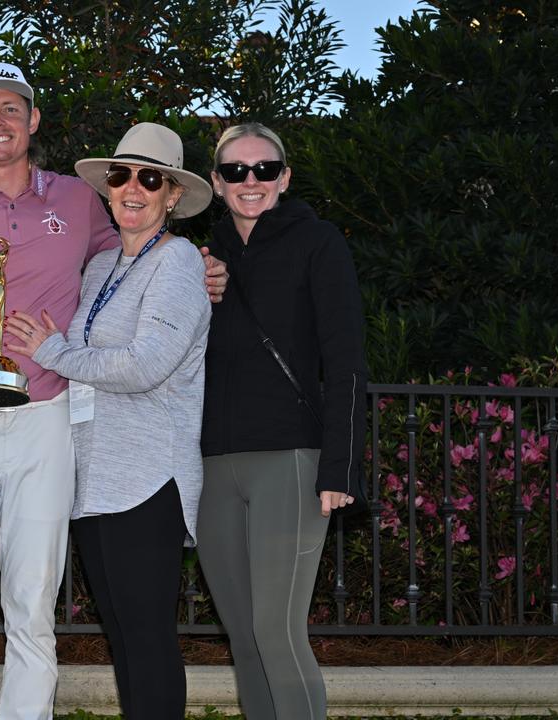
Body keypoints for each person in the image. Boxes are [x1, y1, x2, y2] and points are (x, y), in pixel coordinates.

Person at [0, 62, 227, 719]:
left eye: (11, 108)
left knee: (32, 599)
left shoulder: (79, 203)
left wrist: (201, 263)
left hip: (47, 420)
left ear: (34, 120)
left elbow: (146, 251)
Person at [4, 122, 212, 719]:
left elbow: (146, 365)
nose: (133, 188)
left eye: (151, 179)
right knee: (124, 641)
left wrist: (53, 353)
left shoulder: (176, 263)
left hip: (147, 480)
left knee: (147, 639)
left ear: (172, 195)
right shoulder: (101, 267)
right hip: (93, 480)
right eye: (122, 175)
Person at [196, 122, 366, 720]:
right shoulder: (199, 260)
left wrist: (339, 465)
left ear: (284, 177)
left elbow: (345, 360)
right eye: (236, 171)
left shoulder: (317, 243)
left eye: (264, 169)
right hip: (213, 465)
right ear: (216, 182)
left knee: (276, 631)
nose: (251, 181)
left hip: (291, 461)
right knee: (242, 636)